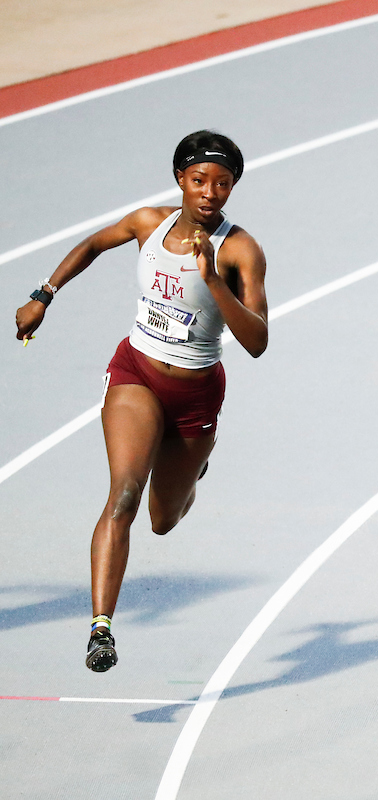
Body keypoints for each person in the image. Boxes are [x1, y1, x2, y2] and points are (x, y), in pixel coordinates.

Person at [14, 130, 268, 670]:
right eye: (200, 181)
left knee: (162, 519)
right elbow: (90, 246)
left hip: (196, 393)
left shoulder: (240, 250)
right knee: (124, 494)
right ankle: (101, 628)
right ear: (180, 179)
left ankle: (192, 471)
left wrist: (212, 281)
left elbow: (258, 341)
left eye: (223, 185)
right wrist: (43, 295)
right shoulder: (146, 224)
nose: (210, 193)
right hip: (137, 374)